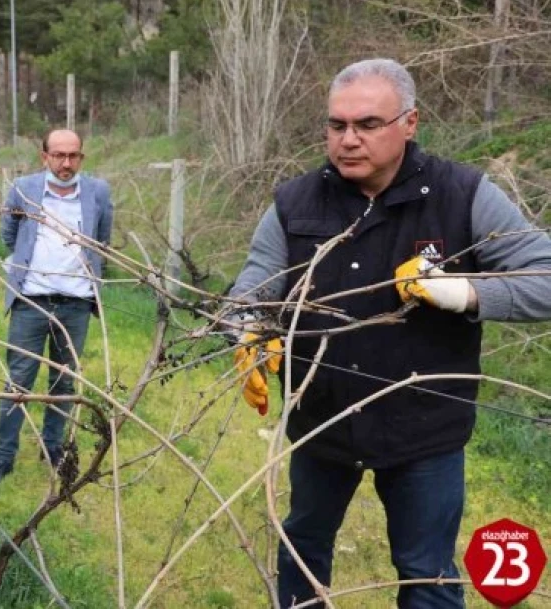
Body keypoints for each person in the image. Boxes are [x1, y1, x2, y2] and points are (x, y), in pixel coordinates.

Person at [229, 58, 551, 608]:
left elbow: (545, 275)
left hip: (424, 428)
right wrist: (251, 327)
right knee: (301, 548)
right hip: (321, 421)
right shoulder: (294, 203)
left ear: (410, 122)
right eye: (336, 126)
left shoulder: (463, 195)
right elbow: (254, 286)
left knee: (427, 571)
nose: (348, 140)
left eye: (368, 125)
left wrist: (469, 293)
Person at [0, 129, 114, 486]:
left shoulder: (98, 192)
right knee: (19, 380)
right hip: (31, 300)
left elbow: (102, 239)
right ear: (44, 157)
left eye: (73, 156)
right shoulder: (24, 188)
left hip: (75, 302)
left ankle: (54, 450)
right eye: (58, 155)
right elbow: (11, 234)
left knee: (63, 380)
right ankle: (3, 459)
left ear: (81, 158)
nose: (66, 163)